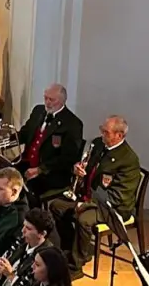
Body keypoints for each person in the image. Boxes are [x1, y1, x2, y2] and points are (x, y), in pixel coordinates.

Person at [45, 115, 143, 269]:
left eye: (106, 132)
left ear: (119, 136)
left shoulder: (128, 160)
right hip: (89, 197)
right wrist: (78, 169)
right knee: (56, 206)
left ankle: (76, 264)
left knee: (84, 219)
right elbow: (89, 168)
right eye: (102, 130)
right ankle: (70, 248)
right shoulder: (98, 144)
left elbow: (118, 197)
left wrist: (86, 204)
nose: (102, 134)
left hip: (112, 208)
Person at [14, 84, 84, 205]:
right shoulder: (38, 111)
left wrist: (40, 169)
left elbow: (67, 158)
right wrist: (5, 140)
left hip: (51, 172)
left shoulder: (73, 124)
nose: (47, 102)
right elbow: (25, 133)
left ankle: (32, 214)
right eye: (45, 98)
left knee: (28, 190)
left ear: (62, 101)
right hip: (27, 162)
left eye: (52, 99)